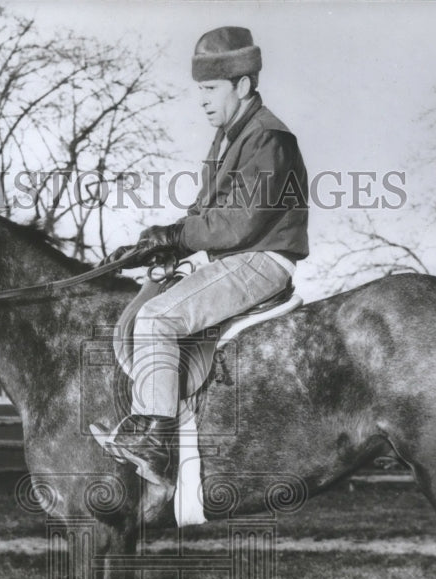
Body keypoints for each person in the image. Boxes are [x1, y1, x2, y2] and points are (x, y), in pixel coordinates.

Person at [99, 26, 309, 485]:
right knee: (148, 306)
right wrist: (150, 246)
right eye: (200, 90)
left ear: (243, 85)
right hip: (233, 258)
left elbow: (239, 222)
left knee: (157, 319)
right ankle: (144, 423)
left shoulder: (268, 138)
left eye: (211, 89)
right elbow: (204, 215)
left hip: (262, 260)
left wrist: (176, 235)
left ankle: (156, 444)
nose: (203, 100)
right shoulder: (230, 137)